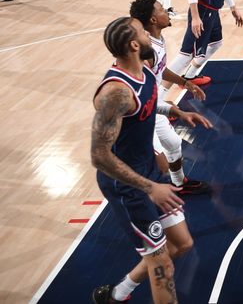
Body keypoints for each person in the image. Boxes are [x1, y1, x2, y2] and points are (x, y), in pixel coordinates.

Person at [90, 17, 212, 303]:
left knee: (182, 244)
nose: (148, 34)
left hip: (147, 174)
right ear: (134, 45)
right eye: (144, 32)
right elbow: (98, 156)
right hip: (127, 187)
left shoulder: (143, 70)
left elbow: (146, 101)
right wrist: (149, 188)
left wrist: (175, 112)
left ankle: (118, 294)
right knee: (162, 265)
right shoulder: (114, 93)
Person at [130, 0, 211, 195]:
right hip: (139, 113)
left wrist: (185, 83)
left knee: (174, 143)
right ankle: (143, 199)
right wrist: (170, 108)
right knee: (157, 164)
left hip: (153, 104)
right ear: (153, 20)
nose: (166, 11)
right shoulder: (146, 52)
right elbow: (137, 93)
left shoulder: (158, 40)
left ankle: (178, 184)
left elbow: (161, 70)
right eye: (161, 9)